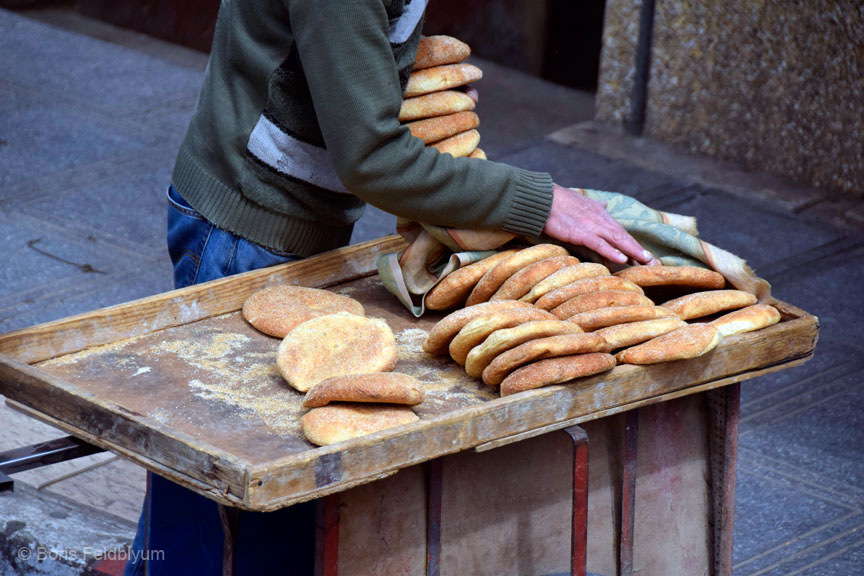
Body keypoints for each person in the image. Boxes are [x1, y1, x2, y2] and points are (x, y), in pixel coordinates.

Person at [126, 1, 653, 574]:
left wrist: (402, 91)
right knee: (221, 484)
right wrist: (539, 203)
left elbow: (341, 69)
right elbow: (372, 158)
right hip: (242, 226)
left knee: (255, 484)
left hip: (294, 217)